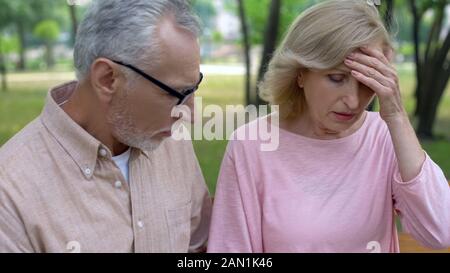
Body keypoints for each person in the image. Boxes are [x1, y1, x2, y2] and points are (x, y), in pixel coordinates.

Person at [208, 0, 450, 253]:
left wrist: (398, 118)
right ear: (300, 73)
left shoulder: (384, 137)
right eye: (337, 78)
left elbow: (440, 232)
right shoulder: (251, 145)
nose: (354, 101)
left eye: (367, 82)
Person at [0, 0, 212, 253]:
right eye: (177, 93)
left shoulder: (172, 138)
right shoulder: (10, 192)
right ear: (107, 79)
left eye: (194, 88)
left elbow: (199, 246)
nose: (191, 114)